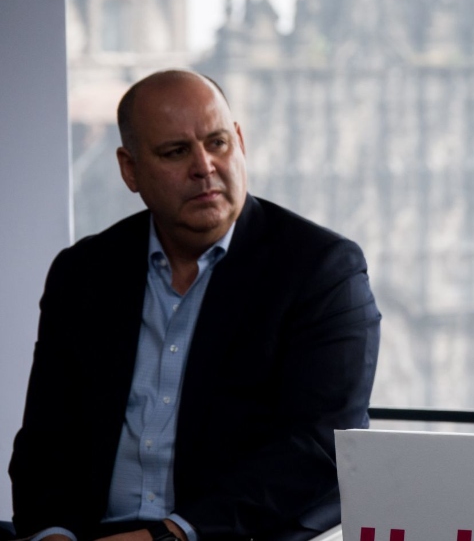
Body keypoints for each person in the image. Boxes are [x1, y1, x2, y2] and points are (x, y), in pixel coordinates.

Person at [10, 70, 381, 541]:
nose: (204, 166)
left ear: (240, 142)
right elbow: (45, 443)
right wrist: (53, 535)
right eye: (175, 152)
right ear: (130, 169)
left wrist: (172, 535)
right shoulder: (83, 272)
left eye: (218, 142)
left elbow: (318, 450)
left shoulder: (320, 270)